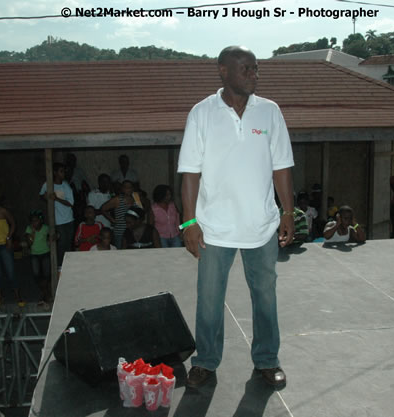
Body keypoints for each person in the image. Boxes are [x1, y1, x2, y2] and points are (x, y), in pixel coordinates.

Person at [178, 46, 295, 388]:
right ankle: (206, 362)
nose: (254, 75)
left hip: (260, 226)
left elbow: (282, 165)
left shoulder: (270, 112)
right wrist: (188, 221)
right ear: (223, 72)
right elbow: (190, 172)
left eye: (256, 69)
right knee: (210, 301)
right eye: (246, 69)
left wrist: (287, 211)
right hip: (214, 228)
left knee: (265, 297)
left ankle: (267, 360)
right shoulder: (202, 113)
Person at [39, 162, 75, 267]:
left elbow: (70, 203)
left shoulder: (66, 186)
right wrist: (46, 197)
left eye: (64, 171)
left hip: (68, 219)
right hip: (58, 221)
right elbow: (41, 194)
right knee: (60, 246)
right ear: (54, 172)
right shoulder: (48, 185)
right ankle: (60, 267)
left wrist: (57, 199)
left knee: (67, 246)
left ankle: (67, 266)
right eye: (61, 171)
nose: (63, 174)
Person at [24, 210, 52, 305]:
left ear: (40, 221)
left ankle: (45, 294)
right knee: (36, 275)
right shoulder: (29, 229)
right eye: (32, 221)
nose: (34, 223)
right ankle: (46, 293)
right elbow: (29, 243)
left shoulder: (46, 228)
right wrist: (32, 232)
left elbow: (52, 237)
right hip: (34, 254)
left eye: (36, 220)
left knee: (47, 275)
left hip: (45, 253)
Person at [100, 179, 137, 248]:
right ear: (122, 189)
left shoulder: (136, 198)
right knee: (120, 254)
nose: (128, 189)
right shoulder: (117, 199)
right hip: (120, 232)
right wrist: (112, 220)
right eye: (126, 187)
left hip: (133, 231)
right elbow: (103, 209)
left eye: (130, 187)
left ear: (133, 188)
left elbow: (140, 211)